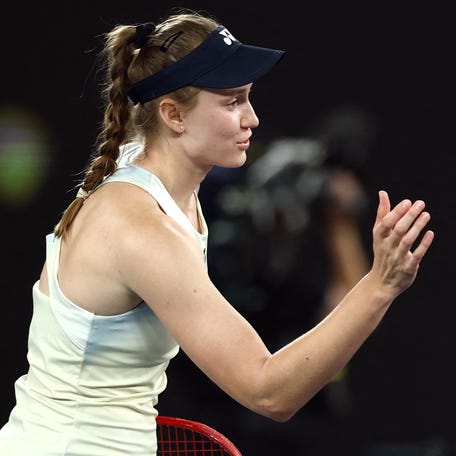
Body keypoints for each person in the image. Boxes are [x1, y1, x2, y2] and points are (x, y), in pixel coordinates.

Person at [0, 8, 434, 456]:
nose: (252, 119)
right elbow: (270, 391)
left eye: (248, 98)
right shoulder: (140, 228)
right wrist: (380, 285)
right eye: (232, 102)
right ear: (173, 115)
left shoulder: (159, 179)